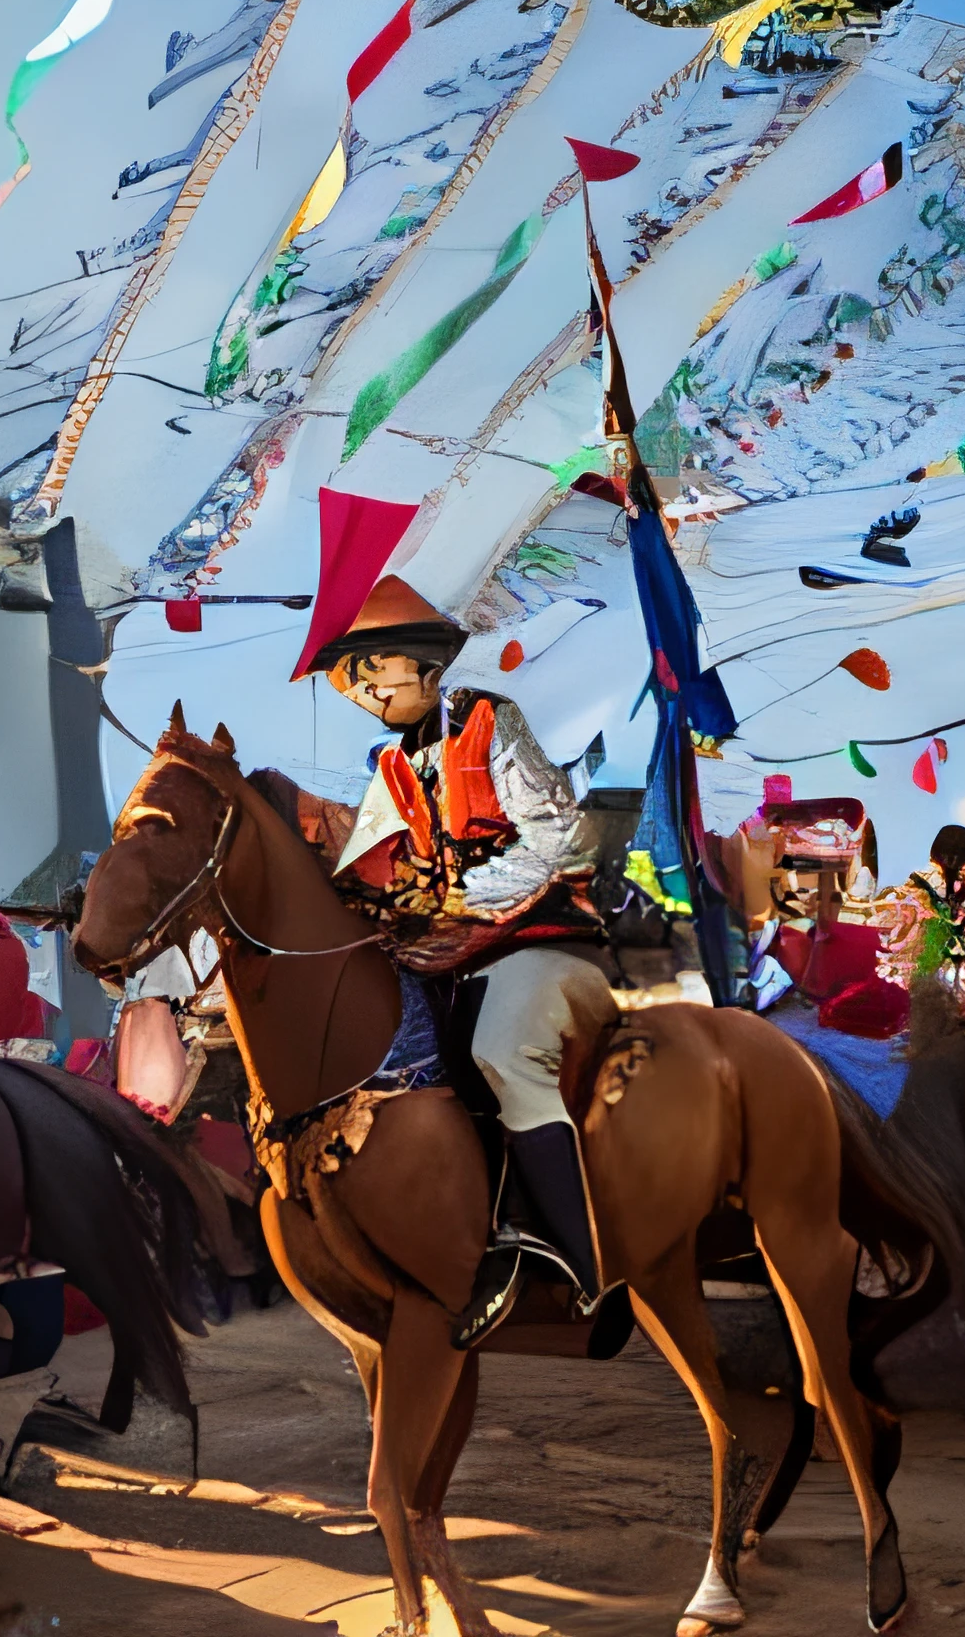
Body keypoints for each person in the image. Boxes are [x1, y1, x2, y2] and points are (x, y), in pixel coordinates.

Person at [299, 575, 614, 1349]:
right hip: (445, 955)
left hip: (539, 941)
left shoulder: (488, 719)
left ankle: (592, 1264)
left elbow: (557, 835)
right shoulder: (393, 764)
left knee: (499, 1053)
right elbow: (371, 864)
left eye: (372, 669)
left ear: (424, 664)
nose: (361, 688)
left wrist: (455, 899)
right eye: (351, 678)